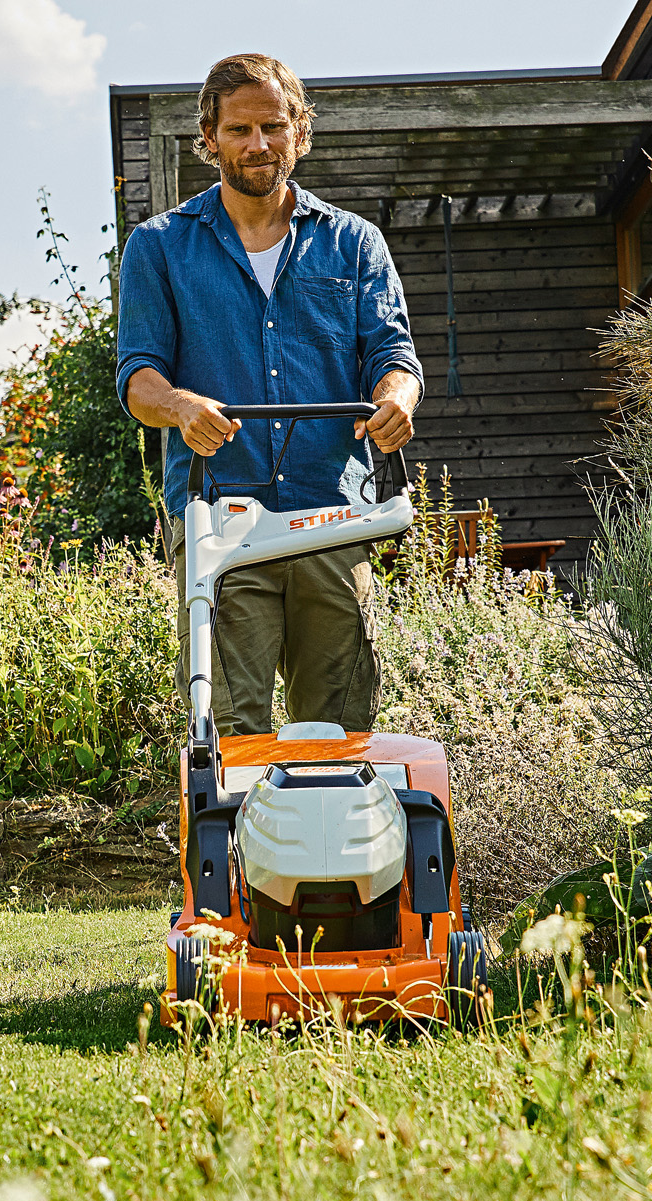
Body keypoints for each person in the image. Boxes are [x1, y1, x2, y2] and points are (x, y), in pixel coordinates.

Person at [116, 52, 424, 738]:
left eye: (274, 126)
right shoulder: (161, 247)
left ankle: (335, 846)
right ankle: (237, 848)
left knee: (342, 732)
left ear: (300, 132)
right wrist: (181, 408)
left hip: (332, 515)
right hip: (221, 517)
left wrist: (397, 397)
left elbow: (393, 355)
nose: (259, 144)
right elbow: (139, 379)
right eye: (240, 129)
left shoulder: (353, 244)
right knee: (232, 730)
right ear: (210, 138)